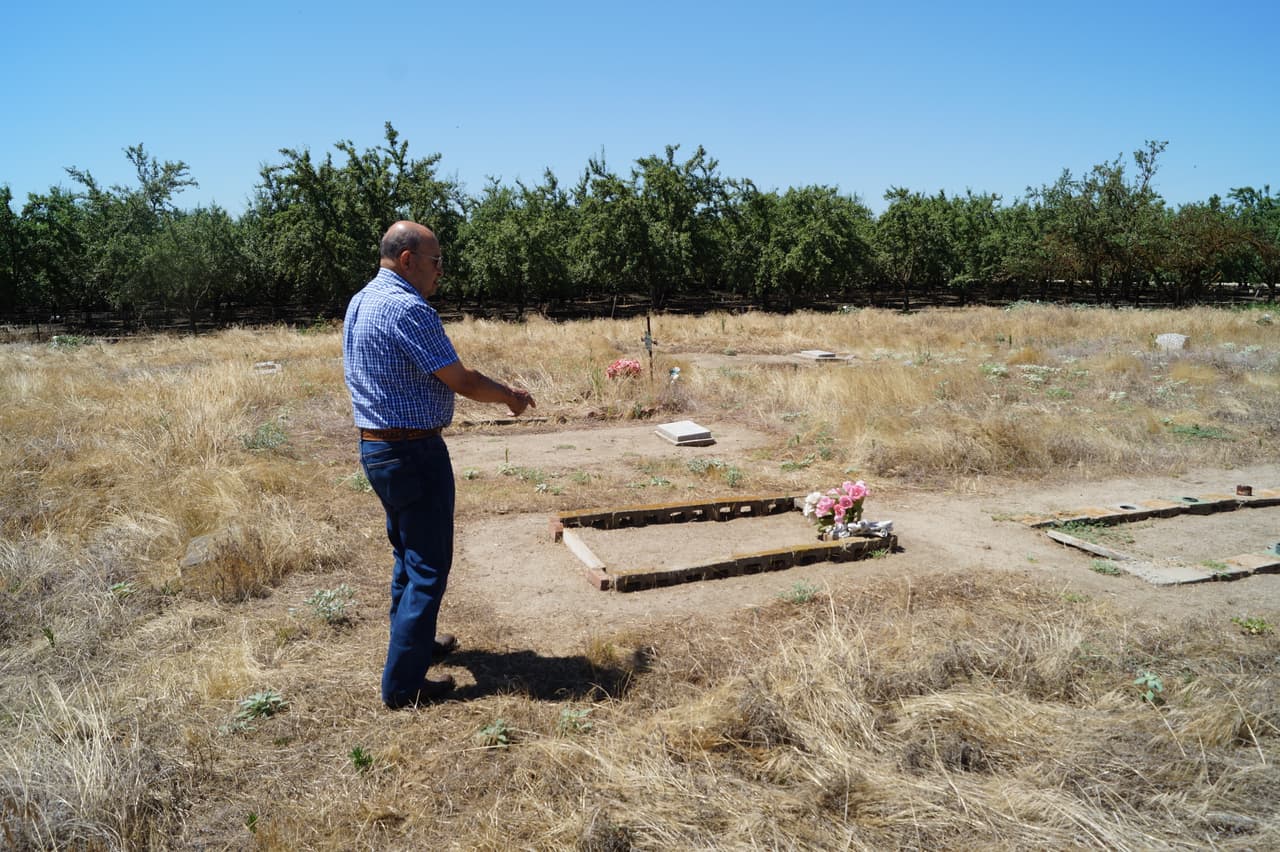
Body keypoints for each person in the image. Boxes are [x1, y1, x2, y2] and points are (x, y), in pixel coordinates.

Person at [343, 220, 536, 709]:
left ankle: (418, 646)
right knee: (428, 567)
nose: (440, 273)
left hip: (379, 449)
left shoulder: (362, 299)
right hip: (412, 452)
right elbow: (463, 380)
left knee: (408, 555)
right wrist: (510, 397)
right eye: (435, 261)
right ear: (407, 259)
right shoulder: (407, 308)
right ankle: (402, 687)